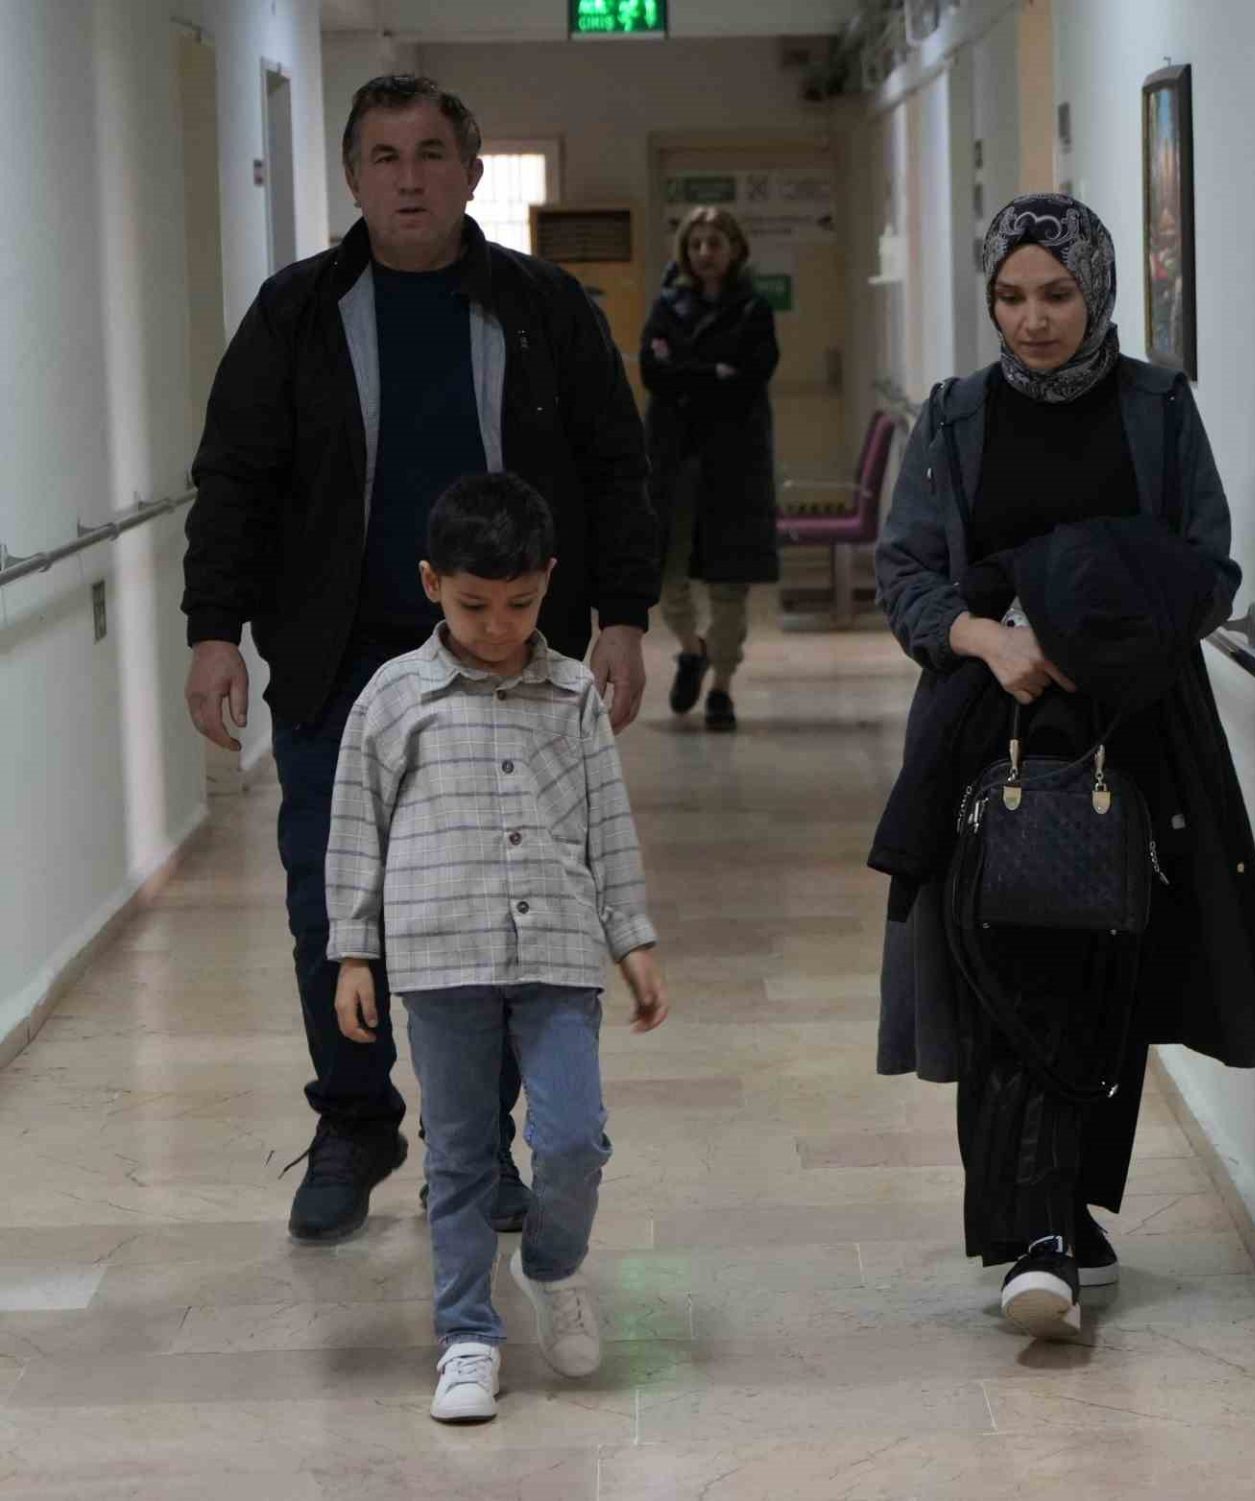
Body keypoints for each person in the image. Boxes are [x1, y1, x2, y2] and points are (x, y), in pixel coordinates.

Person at [181, 75, 658, 1245]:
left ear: (471, 173)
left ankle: (473, 1147)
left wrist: (623, 614)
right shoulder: (297, 313)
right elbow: (235, 477)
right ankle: (355, 1120)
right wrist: (213, 627)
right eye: (386, 157)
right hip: (336, 660)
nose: (410, 179)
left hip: (506, 661)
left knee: (494, 907)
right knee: (326, 899)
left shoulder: (543, 306)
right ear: (353, 176)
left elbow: (616, 463)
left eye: (433, 154)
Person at [871, 194, 1255, 1338]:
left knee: (1112, 966)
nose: (1034, 319)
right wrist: (989, 637)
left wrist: (1091, 629)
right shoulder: (956, 417)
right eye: (1011, 296)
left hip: (1133, 730)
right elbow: (905, 572)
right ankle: (1034, 1229)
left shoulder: (1157, 408)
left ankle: (1071, 1210)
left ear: (1096, 289)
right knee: (1006, 961)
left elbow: (1208, 567)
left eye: (1056, 294)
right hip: (988, 729)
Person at [327, 472, 667, 1423]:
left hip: (557, 950)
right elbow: (355, 827)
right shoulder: (394, 697)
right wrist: (353, 952)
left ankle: (552, 1268)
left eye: (520, 603)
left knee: (573, 1138)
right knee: (461, 1156)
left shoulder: (573, 694)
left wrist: (632, 938)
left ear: (549, 580)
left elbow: (608, 822)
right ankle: (467, 1333)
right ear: (432, 583)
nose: (497, 625)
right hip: (441, 960)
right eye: (474, 604)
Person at [640, 206, 780, 733]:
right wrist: (713, 372)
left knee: (728, 584)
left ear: (734, 249)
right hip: (674, 462)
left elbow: (750, 376)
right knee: (667, 575)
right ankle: (691, 649)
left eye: (714, 243)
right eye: (695, 243)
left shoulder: (754, 310)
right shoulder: (667, 306)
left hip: (732, 465)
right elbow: (654, 372)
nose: (704, 253)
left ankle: (721, 685)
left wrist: (688, 373)